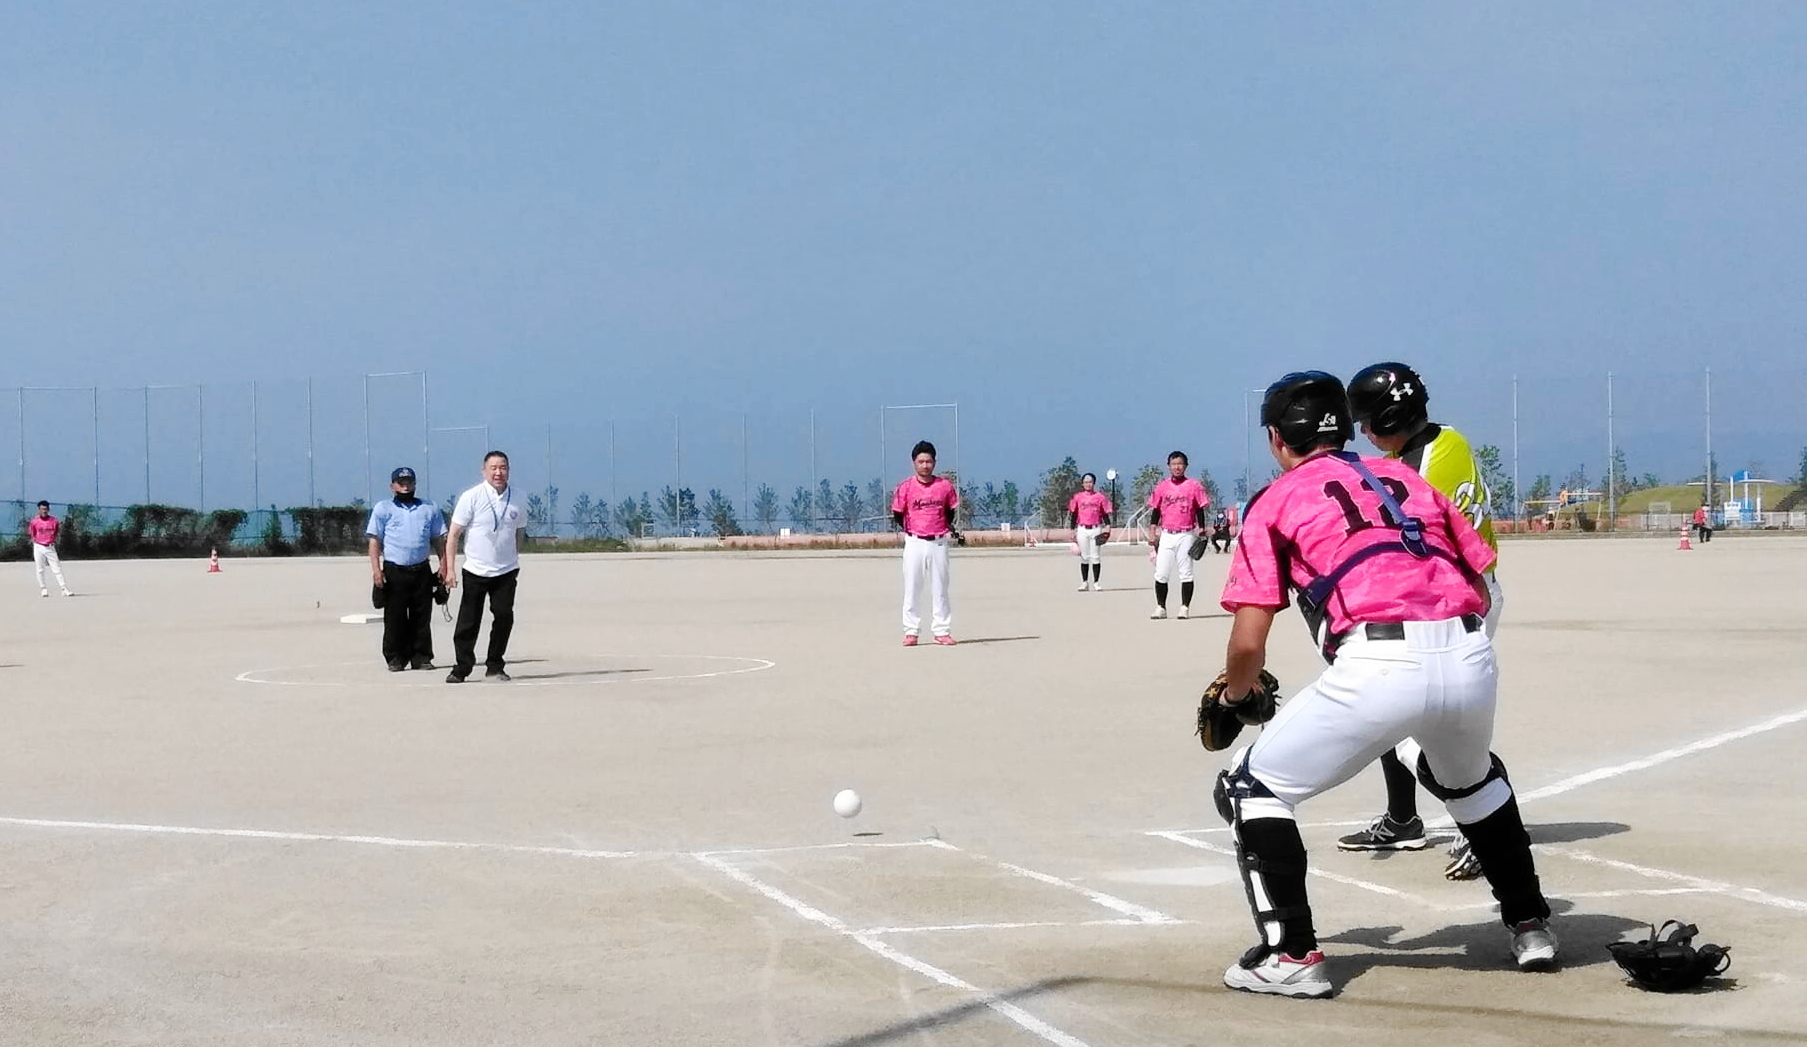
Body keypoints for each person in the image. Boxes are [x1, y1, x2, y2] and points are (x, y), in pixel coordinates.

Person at [1210, 371, 1555, 998]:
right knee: (1470, 782)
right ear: (1346, 428)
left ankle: (1290, 955)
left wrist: (1236, 698)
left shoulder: (1275, 499)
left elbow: (1248, 643)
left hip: (1378, 660)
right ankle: (1530, 924)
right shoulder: (1404, 477)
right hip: (1469, 646)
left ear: (1275, 440)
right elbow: (1479, 580)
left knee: (1246, 787)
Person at [1338, 362, 1505, 880]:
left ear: (1391, 417)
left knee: (1429, 726)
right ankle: (1404, 818)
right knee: (1397, 709)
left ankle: (1486, 824)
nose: (1364, 432)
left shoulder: (1418, 471)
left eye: (1368, 422)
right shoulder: (1446, 439)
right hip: (1463, 593)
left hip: (1455, 602)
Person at [443, 451, 528, 683]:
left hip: (506, 571)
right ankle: (461, 667)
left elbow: (519, 532)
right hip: (475, 570)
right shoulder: (471, 497)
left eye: (503, 467)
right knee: (468, 621)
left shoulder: (519, 497)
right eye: (493, 468)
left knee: (503, 616)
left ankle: (495, 665)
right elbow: (453, 536)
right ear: (484, 471)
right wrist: (450, 570)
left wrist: (513, 557)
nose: (498, 472)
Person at [365, 467, 448, 672]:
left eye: (409, 481)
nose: (405, 485)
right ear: (392, 485)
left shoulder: (429, 508)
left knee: (422, 616)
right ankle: (395, 657)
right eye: (401, 482)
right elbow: (375, 541)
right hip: (395, 571)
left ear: (415, 484)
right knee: (395, 617)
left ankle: (421, 657)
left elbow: (438, 539)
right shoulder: (383, 509)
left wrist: (444, 566)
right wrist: (377, 570)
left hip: (421, 570)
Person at [891, 440, 960, 646]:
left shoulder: (944, 486)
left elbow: (951, 510)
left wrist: (942, 527)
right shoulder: (905, 487)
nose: (925, 466)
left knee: (940, 588)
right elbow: (897, 513)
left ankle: (942, 630)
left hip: (938, 542)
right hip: (915, 541)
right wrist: (912, 530)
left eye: (928, 461)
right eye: (921, 461)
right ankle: (911, 631)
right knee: (912, 587)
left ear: (934, 462)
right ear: (914, 463)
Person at [1144, 451, 1210, 619]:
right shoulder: (1162, 486)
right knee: (1161, 572)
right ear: (1169, 466)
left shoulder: (1194, 486)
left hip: (1186, 533)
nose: (1177, 467)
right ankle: (1161, 607)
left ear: (1185, 466)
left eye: (1180, 464)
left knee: (1186, 572)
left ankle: (1184, 607)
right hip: (1167, 533)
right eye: (1174, 464)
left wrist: (1201, 529)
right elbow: (1156, 510)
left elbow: (1200, 508)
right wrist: (1152, 531)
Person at [1067, 472, 1114, 591]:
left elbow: (1104, 513)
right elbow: (1074, 513)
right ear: (1082, 484)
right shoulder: (1078, 497)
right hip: (1082, 529)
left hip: (1096, 528)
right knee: (1084, 556)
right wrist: (1072, 529)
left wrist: (1108, 525)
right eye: (1086, 482)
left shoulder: (1100, 497)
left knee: (1096, 556)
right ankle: (1084, 582)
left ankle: (1096, 582)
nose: (1088, 484)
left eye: (1090, 482)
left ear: (1094, 483)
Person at [27, 501, 72, 597]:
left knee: (57, 568)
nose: (44, 511)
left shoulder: (54, 521)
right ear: (39, 510)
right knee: (40, 569)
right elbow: (32, 533)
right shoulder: (34, 521)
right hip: (38, 546)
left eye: (46, 509)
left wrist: (50, 541)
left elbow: (55, 532)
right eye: (42, 509)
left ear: (48, 509)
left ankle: (64, 588)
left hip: (50, 547)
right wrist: (37, 542)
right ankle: (43, 589)